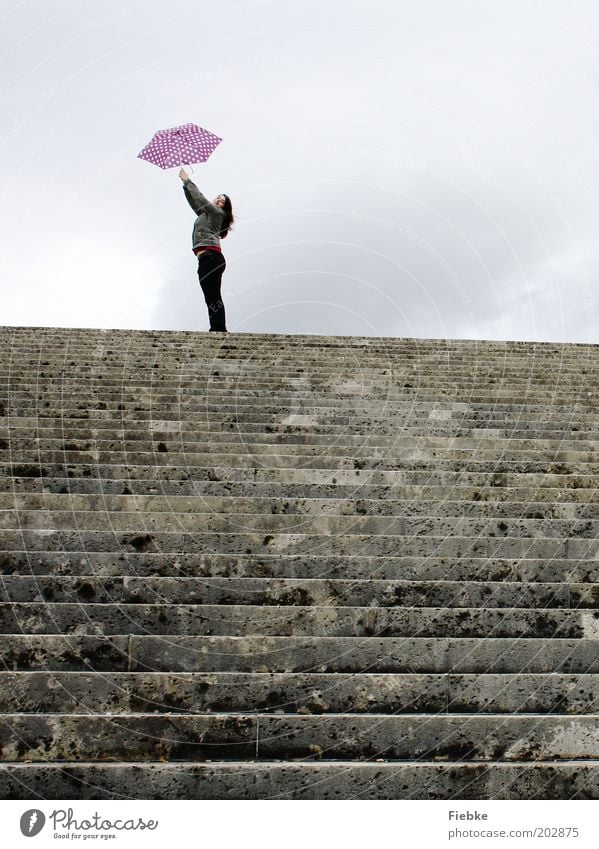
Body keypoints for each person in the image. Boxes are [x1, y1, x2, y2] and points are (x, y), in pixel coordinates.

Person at [179, 168, 234, 332]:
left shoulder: (217, 214)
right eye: (218, 197)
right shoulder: (205, 214)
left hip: (212, 257)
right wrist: (184, 184)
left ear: (224, 207)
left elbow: (200, 199)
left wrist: (188, 180)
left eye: (222, 201)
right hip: (205, 259)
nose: (218, 200)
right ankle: (216, 328)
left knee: (213, 295)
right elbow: (194, 202)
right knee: (210, 296)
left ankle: (219, 329)